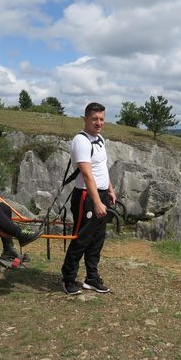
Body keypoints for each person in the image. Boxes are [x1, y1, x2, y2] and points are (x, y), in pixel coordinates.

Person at [61, 102, 117, 295]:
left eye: (101, 119)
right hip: (86, 195)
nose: (98, 123)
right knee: (82, 238)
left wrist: (110, 189)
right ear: (85, 119)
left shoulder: (100, 139)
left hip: (100, 194)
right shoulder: (81, 141)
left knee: (97, 239)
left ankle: (91, 278)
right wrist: (97, 202)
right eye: (94, 119)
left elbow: (102, 167)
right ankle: (68, 278)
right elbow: (86, 174)